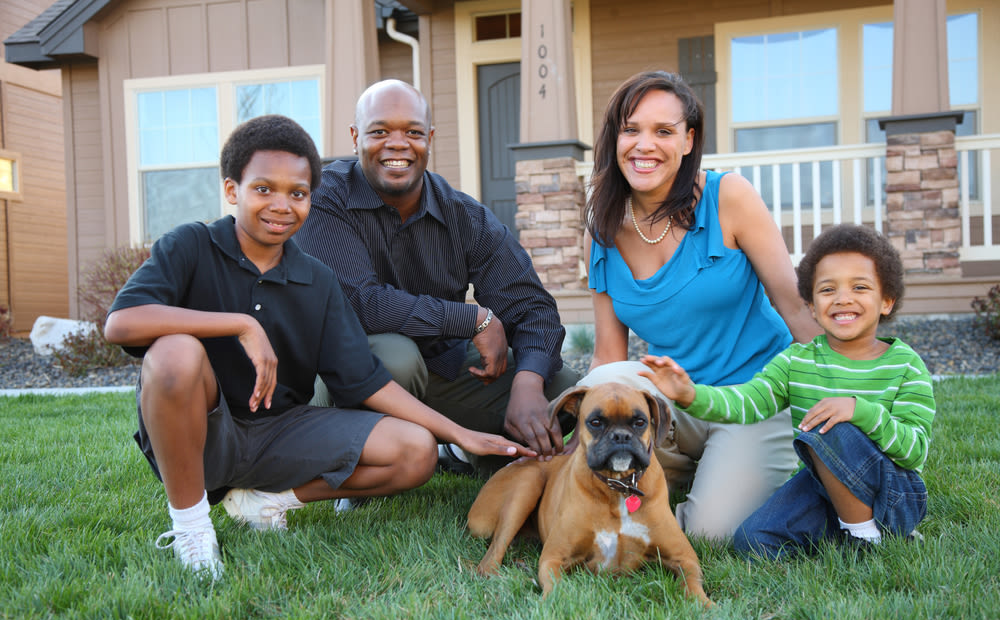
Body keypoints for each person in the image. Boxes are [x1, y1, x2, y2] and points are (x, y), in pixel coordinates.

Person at [104, 115, 533, 579]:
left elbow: (367, 381)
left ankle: (267, 503)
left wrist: (459, 435)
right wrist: (241, 325)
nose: (281, 205)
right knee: (175, 353)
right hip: (200, 438)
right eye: (263, 189)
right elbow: (122, 323)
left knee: (416, 450)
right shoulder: (191, 245)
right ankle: (191, 527)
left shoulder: (317, 278)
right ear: (232, 190)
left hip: (280, 434)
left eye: (298, 193)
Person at [579, 70, 823, 539]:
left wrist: (833, 389)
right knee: (607, 381)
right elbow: (608, 354)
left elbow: (794, 306)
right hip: (677, 402)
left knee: (711, 531)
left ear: (689, 140)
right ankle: (684, 470)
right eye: (631, 129)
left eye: (663, 131)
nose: (643, 145)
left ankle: (720, 474)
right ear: (615, 139)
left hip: (754, 399)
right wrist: (576, 440)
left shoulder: (728, 196)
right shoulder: (604, 227)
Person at [296, 79, 579, 474]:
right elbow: (358, 304)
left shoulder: (464, 215)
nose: (397, 144)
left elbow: (532, 306)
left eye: (412, 132)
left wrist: (528, 385)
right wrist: (471, 318)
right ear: (355, 136)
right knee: (396, 357)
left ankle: (473, 453)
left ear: (429, 139)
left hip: (438, 366)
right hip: (347, 372)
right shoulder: (324, 198)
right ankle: (364, 466)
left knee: (563, 389)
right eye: (379, 131)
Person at [639, 224, 934, 558]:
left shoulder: (905, 365)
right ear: (810, 305)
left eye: (860, 287)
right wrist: (690, 394)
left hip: (893, 493)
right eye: (827, 290)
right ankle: (843, 532)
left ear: (887, 301)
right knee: (752, 540)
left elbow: (914, 450)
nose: (843, 298)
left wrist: (860, 411)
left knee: (833, 426)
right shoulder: (797, 360)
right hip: (820, 489)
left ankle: (867, 538)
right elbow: (747, 402)